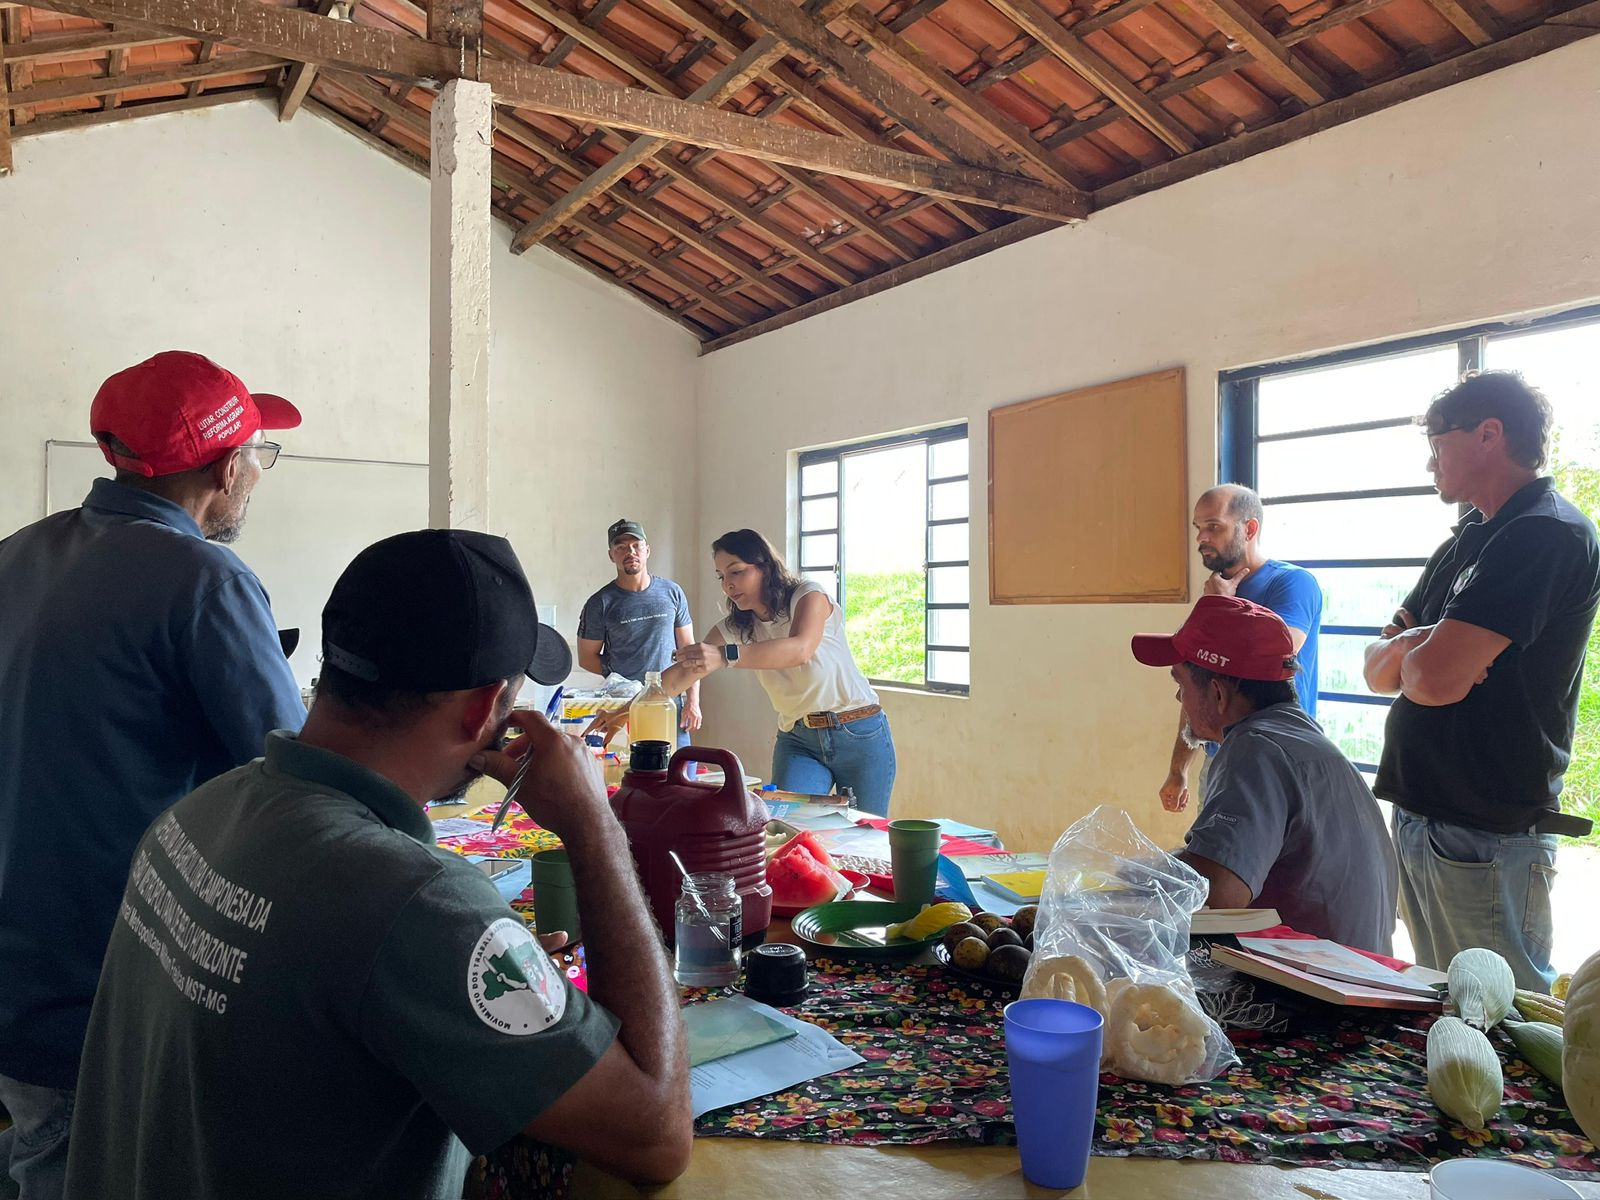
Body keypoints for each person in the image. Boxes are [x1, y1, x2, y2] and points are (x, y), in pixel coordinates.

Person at [64, 530, 692, 1199]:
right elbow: (656, 1135)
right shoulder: (414, 901)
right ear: (484, 710)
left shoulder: (198, 812)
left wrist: (451, 972)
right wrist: (594, 825)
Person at [0, 350, 307, 1200]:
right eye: (258, 455)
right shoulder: (205, 580)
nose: (256, 474)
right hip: (111, 989)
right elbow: (294, 776)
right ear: (226, 466)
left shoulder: (15, 555)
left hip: (20, 974)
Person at [1364, 372, 1600, 990]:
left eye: (1439, 441)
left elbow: (1435, 680)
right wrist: (1426, 644)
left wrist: (1421, 650)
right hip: (1422, 811)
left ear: (1489, 434)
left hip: (1487, 828)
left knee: (1503, 1024)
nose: (1430, 460)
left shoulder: (1543, 533)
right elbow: (1377, 670)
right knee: (1441, 1008)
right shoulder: (1467, 538)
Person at [1134, 595, 1398, 954]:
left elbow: (1214, 893)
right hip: (1356, 975)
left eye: (1181, 682)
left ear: (1217, 693)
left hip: (1313, 994)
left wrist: (1127, 878)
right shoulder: (1303, 739)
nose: (1179, 697)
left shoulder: (1254, 748)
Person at [599, 529, 897, 816]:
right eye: (721, 576)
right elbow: (680, 675)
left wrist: (725, 656)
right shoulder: (736, 626)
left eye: (736, 571)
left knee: (863, 836)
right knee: (788, 829)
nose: (727, 584)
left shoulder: (808, 596)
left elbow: (799, 649)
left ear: (764, 567)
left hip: (858, 731)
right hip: (798, 738)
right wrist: (625, 711)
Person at [1160, 484, 1323, 813]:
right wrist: (1179, 769)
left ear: (1249, 528)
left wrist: (1221, 607)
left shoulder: (1291, 583)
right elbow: (1198, 684)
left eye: (1214, 526)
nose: (1201, 538)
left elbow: (1279, 652)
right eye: (1199, 528)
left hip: (1275, 762)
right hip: (1220, 761)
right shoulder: (1215, 595)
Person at [576, 518, 701, 742]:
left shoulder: (672, 592)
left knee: (676, 771)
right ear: (611, 555)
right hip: (623, 706)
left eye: (636, 545)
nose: (629, 552)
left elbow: (690, 652)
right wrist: (621, 677)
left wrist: (693, 701)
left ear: (647, 550)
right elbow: (586, 658)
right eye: (621, 547)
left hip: (669, 702)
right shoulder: (600, 603)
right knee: (631, 771)